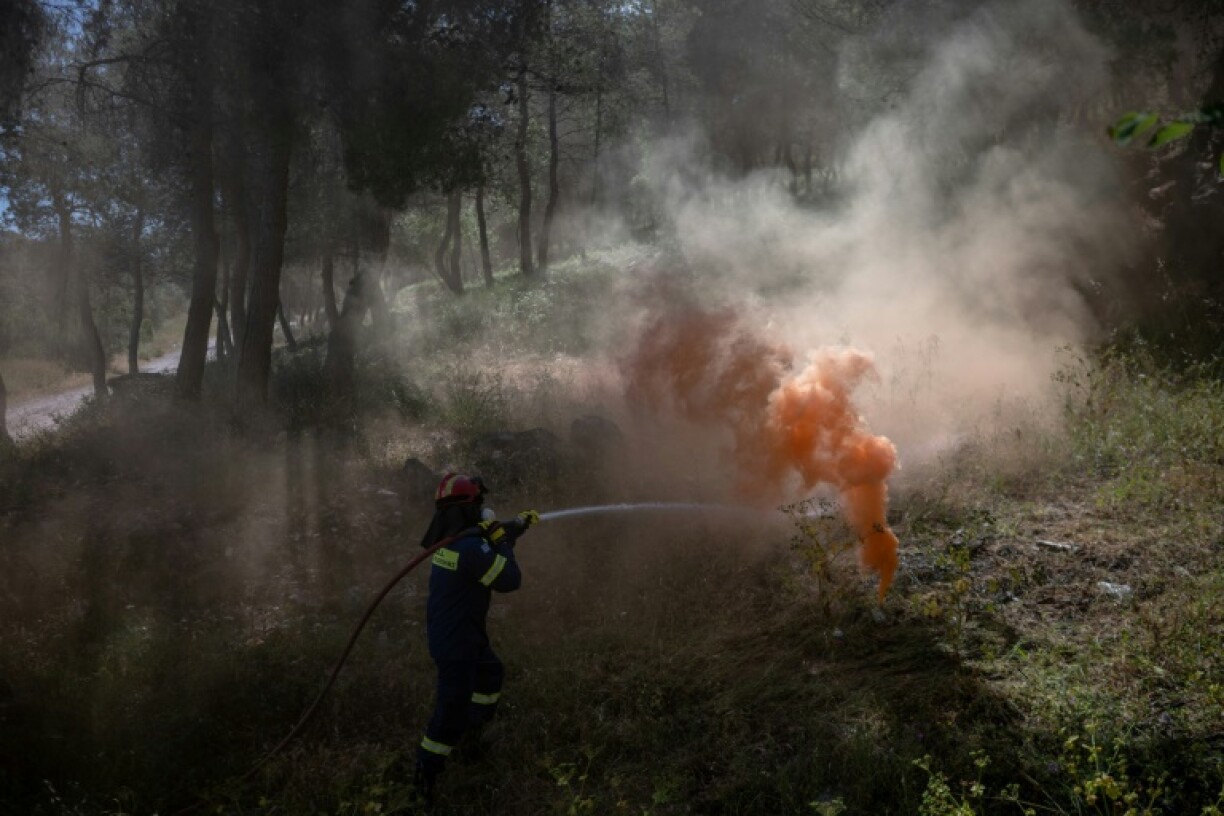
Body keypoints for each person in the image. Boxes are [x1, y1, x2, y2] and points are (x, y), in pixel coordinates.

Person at [413, 473, 539, 803]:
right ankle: (424, 774)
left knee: (490, 675)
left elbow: (486, 543)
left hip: (460, 633)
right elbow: (509, 579)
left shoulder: (454, 542)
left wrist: (514, 527)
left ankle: (476, 728)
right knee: (450, 710)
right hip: (457, 643)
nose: (483, 509)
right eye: (479, 504)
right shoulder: (470, 548)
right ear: (469, 508)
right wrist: (500, 536)